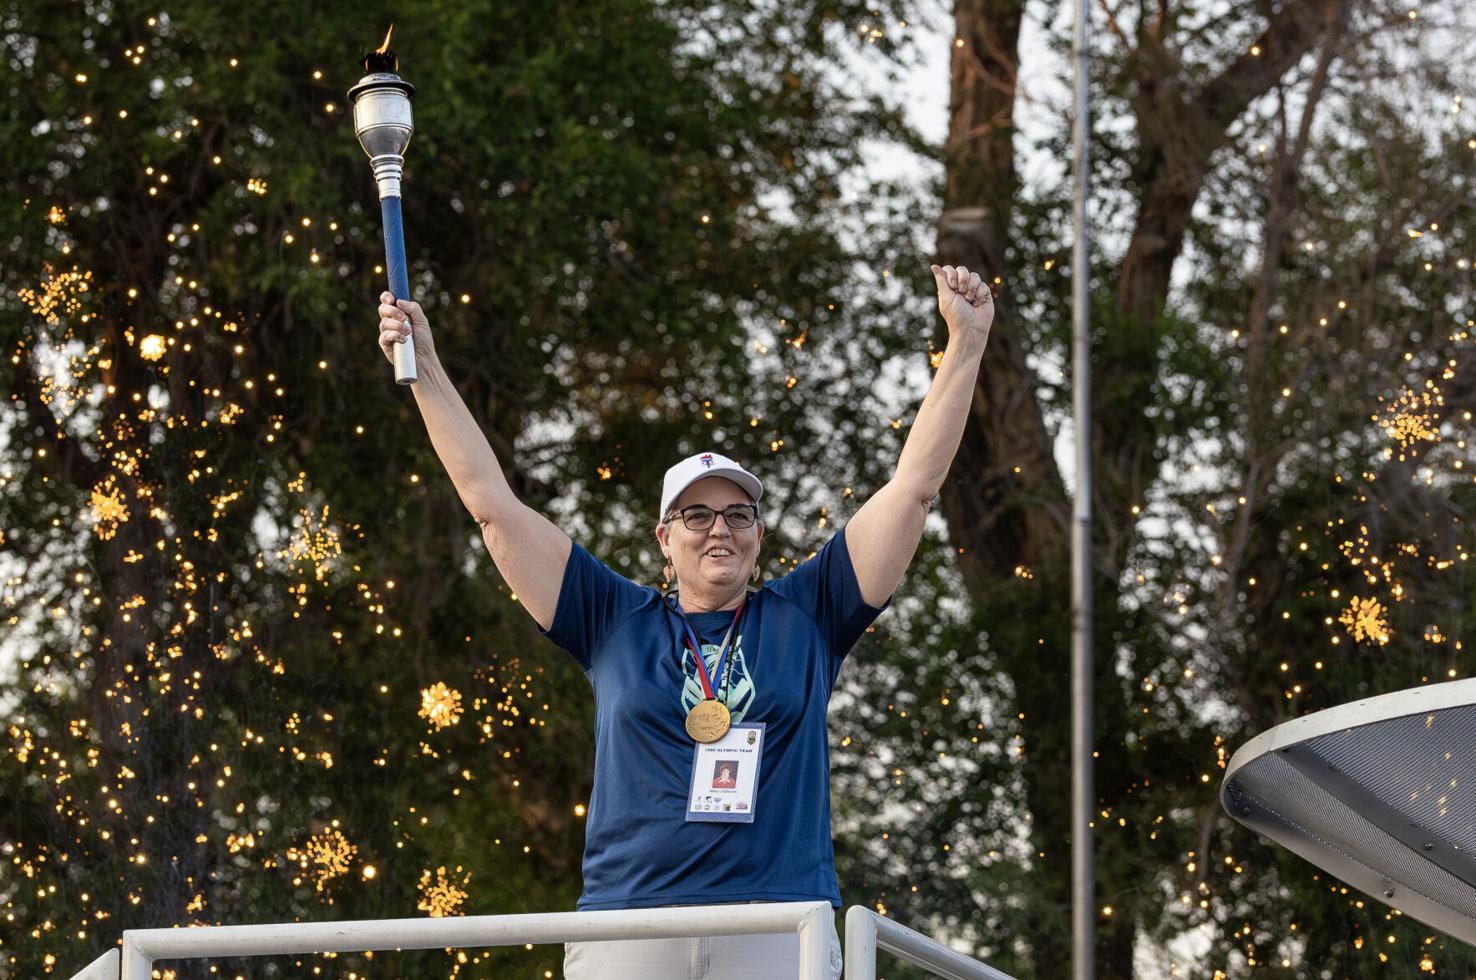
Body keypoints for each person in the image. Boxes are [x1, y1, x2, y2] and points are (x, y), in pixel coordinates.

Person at [372, 263, 993, 980]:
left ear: (759, 534)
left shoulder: (809, 613)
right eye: (696, 514)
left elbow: (913, 490)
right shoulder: (611, 618)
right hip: (632, 924)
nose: (718, 529)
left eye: (738, 513)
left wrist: (966, 345)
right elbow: (492, 505)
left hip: (778, 923)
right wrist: (427, 368)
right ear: (665, 540)